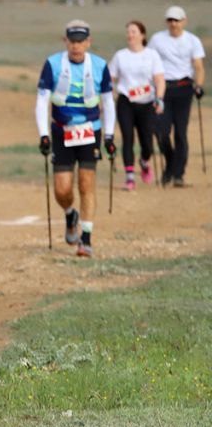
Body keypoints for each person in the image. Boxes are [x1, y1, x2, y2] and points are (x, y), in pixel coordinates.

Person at [35, 19, 116, 258]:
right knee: (62, 189)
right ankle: (70, 213)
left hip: (91, 131)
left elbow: (109, 102)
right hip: (62, 131)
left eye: (81, 42)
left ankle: (86, 238)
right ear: (65, 41)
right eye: (72, 41)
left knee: (86, 183)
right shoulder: (52, 64)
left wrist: (110, 135)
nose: (76, 46)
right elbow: (42, 100)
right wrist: (44, 134)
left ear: (88, 42)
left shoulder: (100, 66)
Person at [148, 6, 206, 187]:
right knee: (161, 132)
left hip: (183, 88)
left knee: (180, 132)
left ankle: (177, 174)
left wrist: (199, 85)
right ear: (166, 22)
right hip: (163, 89)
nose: (174, 24)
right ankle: (171, 164)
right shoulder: (157, 39)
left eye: (177, 20)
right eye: (170, 20)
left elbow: (198, 66)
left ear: (184, 21)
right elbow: (149, 61)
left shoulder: (192, 40)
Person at [109, 21, 165, 191]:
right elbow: (110, 78)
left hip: (147, 102)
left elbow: (159, 79)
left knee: (147, 141)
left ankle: (144, 161)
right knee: (127, 137)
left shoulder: (152, 55)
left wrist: (159, 98)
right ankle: (130, 176)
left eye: (134, 32)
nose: (130, 35)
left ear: (142, 35)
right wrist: (109, 95)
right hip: (126, 100)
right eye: (128, 32)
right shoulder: (120, 56)